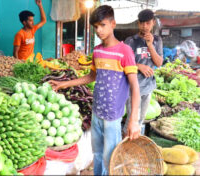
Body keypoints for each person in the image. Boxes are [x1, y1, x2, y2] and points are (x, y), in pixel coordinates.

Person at [49, 5, 140, 175]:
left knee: (110, 156)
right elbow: (91, 76)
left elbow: (135, 88)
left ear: (113, 24)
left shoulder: (124, 51)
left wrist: (134, 120)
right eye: (95, 26)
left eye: (102, 25)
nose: (98, 30)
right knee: (97, 154)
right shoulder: (97, 51)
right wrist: (63, 84)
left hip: (113, 116)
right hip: (96, 112)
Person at [123, 9, 163, 134]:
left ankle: (134, 146)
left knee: (140, 121)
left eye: (148, 23)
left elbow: (159, 63)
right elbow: (122, 63)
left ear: (153, 23)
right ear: (138, 23)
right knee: (131, 120)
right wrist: (139, 65)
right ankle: (124, 147)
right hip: (132, 87)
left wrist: (150, 45)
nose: (145, 26)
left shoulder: (157, 41)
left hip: (148, 87)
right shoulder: (130, 41)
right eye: (142, 23)